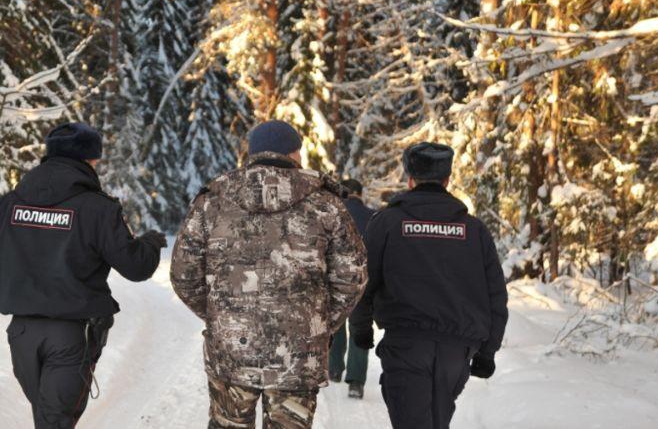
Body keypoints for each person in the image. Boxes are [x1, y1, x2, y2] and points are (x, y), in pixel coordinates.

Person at [0, 122, 168, 429]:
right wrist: (151, 242)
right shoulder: (97, 209)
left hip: (21, 336)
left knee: (48, 419)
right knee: (54, 422)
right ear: (90, 160)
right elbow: (136, 267)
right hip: (72, 337)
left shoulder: (9, 204)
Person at [171, 120, 368, 429]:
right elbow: (352, 275)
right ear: (294, 154)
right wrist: (317, 322)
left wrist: (223, 316)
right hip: (298, 353)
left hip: (231, 351)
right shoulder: (326, 204)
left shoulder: (212, 201)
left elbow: (184, 273)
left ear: (252, 153)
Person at [349, 142, 509, 429]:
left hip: (406, 346)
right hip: (456, 354)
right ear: (447, 179)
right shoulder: (474, 230)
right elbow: (495, 296)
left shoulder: (387, 223)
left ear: (410, 178)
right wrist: (488, 352)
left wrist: (360, 329)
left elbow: (362, 281)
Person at [328, 178, 375, 399]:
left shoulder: (332, 213)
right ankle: (356, 381)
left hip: (335, 278)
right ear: (360, 193)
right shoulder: (373, 217)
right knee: (359, 325)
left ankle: (335, 368)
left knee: (337, 323)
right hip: (362, 279)